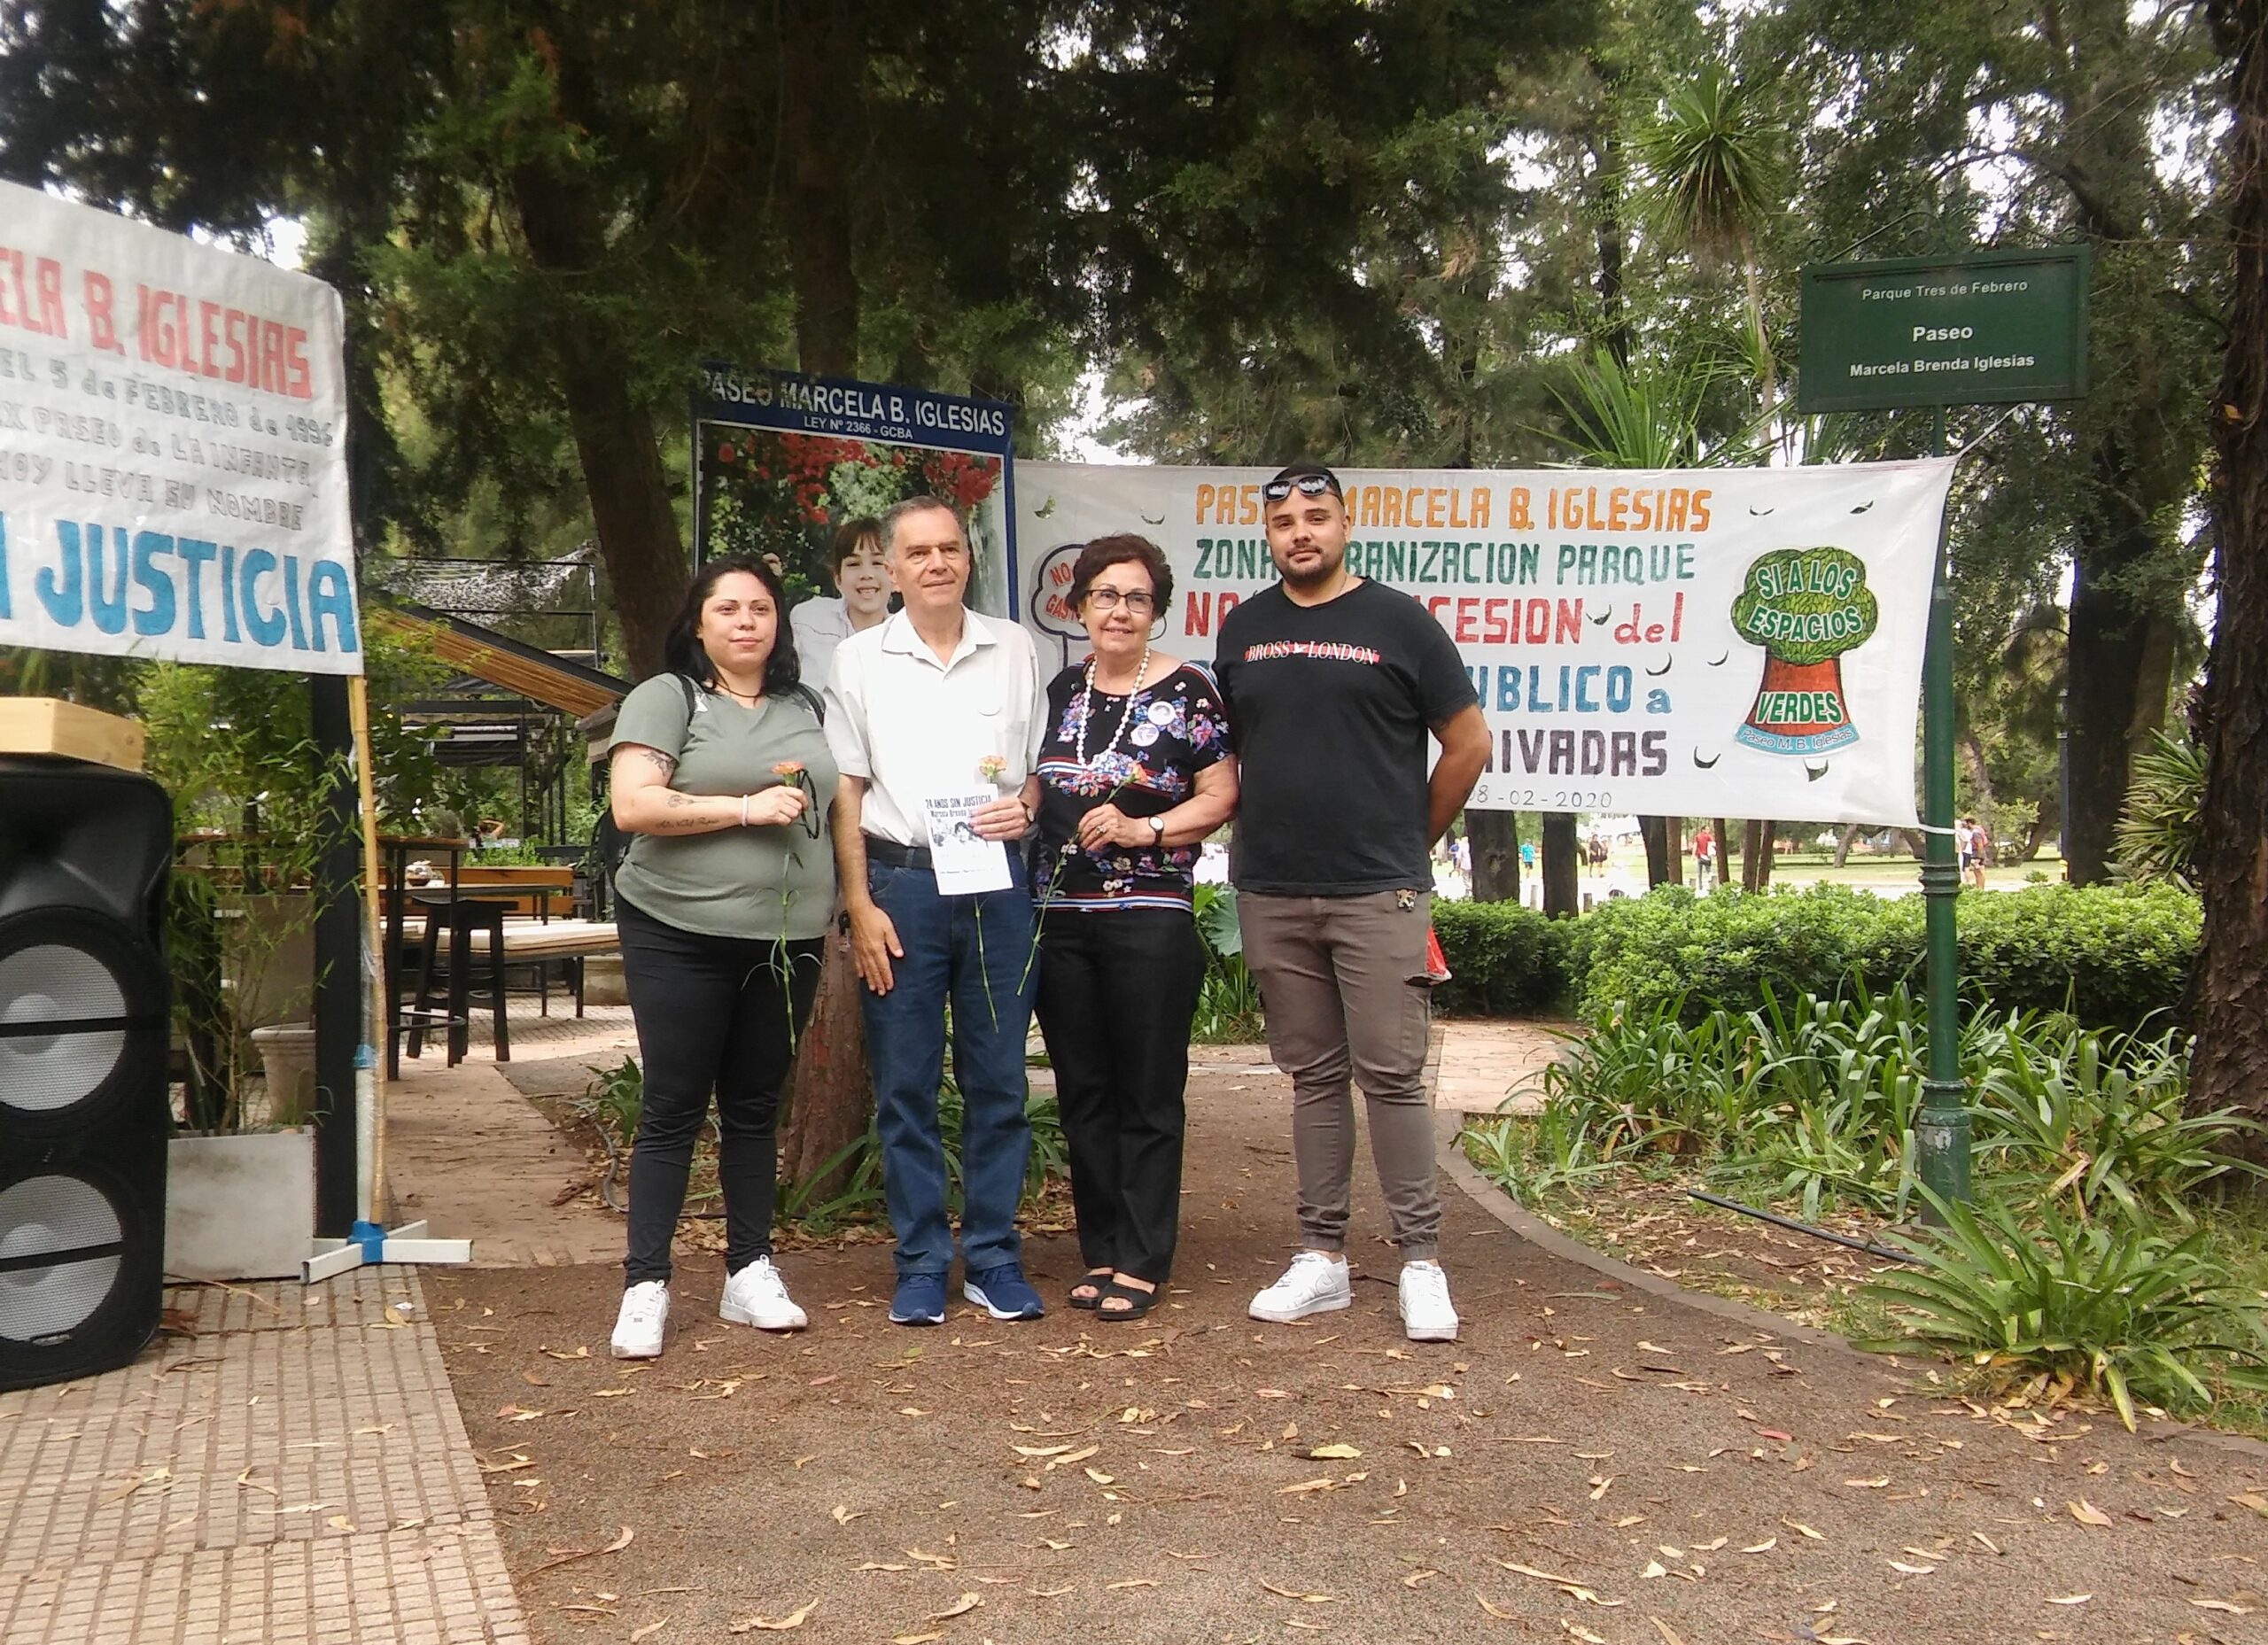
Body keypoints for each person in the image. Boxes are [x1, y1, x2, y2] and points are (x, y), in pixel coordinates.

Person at [1217, 462, 1490, 1343]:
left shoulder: (1399, 621)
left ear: (1346, 524)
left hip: (1378, 888)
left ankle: (1420, 1263)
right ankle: (1321, 1259)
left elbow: (1467, 742)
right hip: (1271, 888)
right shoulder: (1243, 629)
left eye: (1317, 517)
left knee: (1393, 1077)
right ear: (1267, 535)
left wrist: (1412, 840)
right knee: (1313, 1076)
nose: (1300, 532)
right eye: (1284, 521)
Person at [825, 494, 1051, 1327]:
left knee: (998, 1080)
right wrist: (858, 904)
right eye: (917, 553)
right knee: (906, 1086)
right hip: (903, 890)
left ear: (966, 557)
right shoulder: (857, 660)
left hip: (995, 883)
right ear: (890, 566)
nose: (936, 565)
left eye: (949, 549)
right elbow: (847, 791)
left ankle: (993, 1256)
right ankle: (921, 1260)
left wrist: (1025, 806)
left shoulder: (1015, 648)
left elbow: (1033, 773)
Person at [603, 555, 836, 1360]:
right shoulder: (668, 697)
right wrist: (741, 807)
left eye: (762, 609)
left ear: (779, 624)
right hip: (678, 930)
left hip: (784, 938)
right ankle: (645, 1284)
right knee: (673, 1104)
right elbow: (634, 802)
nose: (747, 621)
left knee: (753, 1104)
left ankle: (749, 1270)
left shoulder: (805, 705)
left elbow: (839, 807)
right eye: (728, 608)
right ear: (698, 623)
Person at [1029, 535, 1239, 1321]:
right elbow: (1032, 786)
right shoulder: (1058, 692)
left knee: (1148, 1087)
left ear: (1156, 610)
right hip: (1061, 917)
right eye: (1105, 595)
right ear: (1078, 605)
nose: (1119, 610)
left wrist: (1144, 832)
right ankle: (1104, 1246)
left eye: (1137, 598)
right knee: (1084, 1089)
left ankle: (1146, 1255)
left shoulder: (1190, 690)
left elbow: (1220, 795)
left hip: (1151, 914)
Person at [792, 516, 893, 689]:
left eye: (877, 563)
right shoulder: (808, 619)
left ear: (894, 574)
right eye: (854, 564)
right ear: (838, 579)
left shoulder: (909, 637)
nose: (867, 574)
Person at [1693, 823, 1714, 893]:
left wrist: (1693, 855)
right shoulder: (1709, 836)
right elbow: (1713, 844)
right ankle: (1710, 879)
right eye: (1707, 829)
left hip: (1699, 856)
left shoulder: (1697, 837)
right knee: (1709, 870)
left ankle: (1700, 886)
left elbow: (1695, 846)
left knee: (1699, 872)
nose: (1708, 831)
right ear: (1703, 830)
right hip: (1707, 856)